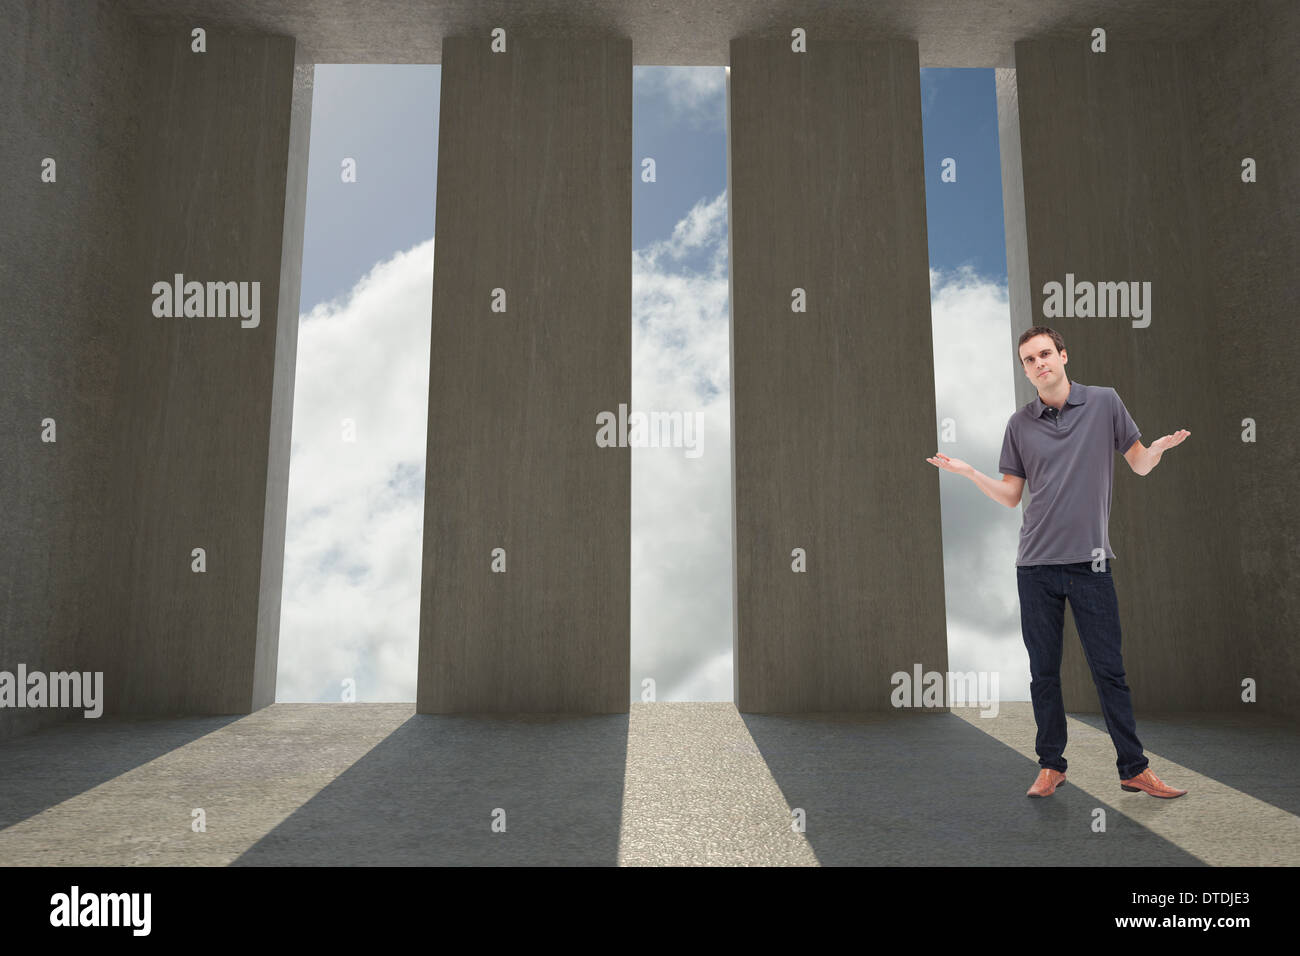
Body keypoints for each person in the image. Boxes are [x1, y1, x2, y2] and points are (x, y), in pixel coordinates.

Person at [926, 327, 1189, 799]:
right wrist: (969, 473)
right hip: (1036, 567)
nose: (1039, 364)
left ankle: (1134, 768)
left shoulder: (1105, 402)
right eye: (1029, 360)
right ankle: (1051, 765)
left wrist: (1158, 451)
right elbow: (1011, 497)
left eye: (1045, 354)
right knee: (1043, 672)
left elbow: (1139, 464)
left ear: (1063, 356)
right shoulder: (1019, 424)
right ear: (1025, 369)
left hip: (1091, 565)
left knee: (1109, 670)